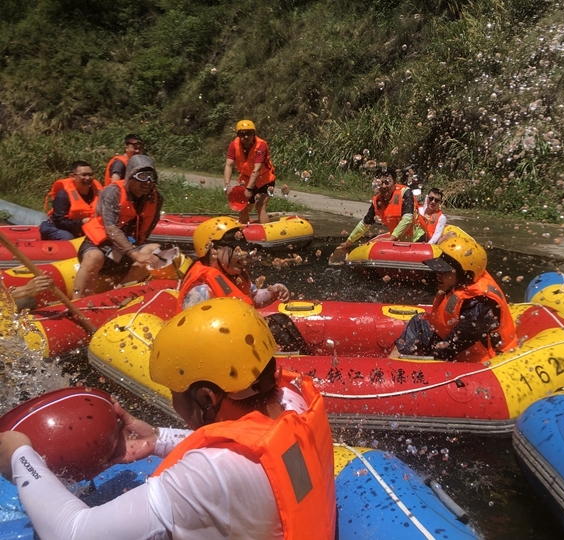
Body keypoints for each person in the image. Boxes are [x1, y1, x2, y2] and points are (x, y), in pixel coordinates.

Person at [0, 298, 337, 539]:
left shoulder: (211, 473)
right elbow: (252, 446)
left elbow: (72, 532)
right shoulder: (292, 401)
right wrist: (158, 439)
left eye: (175, 391)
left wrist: (20, 456)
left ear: (207, 396)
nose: (174, 401)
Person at [393, 232, 518, 361]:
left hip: (483, 361)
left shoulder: (479, 305)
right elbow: (465, 256)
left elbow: (452, 347)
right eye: (439, 269)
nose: (438, 273)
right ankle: (391, 361)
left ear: (464, 275)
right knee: (419, 321)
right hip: (454, 342)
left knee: (438, 352)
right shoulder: (468, 275)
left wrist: (427, 359)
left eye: (445, 271)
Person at [73, 155, 163, 298]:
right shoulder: (112, 192)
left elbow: (149, 226)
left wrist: (136, 251)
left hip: (126, 253)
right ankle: (78, 302)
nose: (147, 181)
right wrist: (135, 254)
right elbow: (111, 228)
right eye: (142, 176)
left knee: (156, 250)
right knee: (93, 256)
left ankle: (118, 295)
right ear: (130, 176)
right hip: (101, 247)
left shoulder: (156, 198)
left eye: (151, 176)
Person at [177, 216, 290, 311]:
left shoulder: (236, 276)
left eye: (242, 250)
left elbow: (253, 298)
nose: (242, 255)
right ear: (213, 251)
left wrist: (273, 292)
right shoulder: (201, 291)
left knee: (279, 322)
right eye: (235, 251)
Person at [334, 164, 424, 255]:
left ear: (395, 182)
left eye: (387, 182)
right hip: (398, 240)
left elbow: (407, 219)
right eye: (380, 183)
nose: (384, 186)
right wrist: (348, 242)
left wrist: (392, 237)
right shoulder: (377, 201)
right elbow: (365, 224)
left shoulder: (405, 193)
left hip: (418, 239)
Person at [224, 120, 276, 224]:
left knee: (260, 205)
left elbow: (256, 170)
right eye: (242, 134)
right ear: (238, 135)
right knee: (244, 207)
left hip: (265, 180)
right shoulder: (233, 145)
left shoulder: (261, 145)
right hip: (246, 178)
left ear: (254, 134)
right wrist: (227, 185)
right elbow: (229, 165)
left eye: (249, 133)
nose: (246, 137)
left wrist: (249, 188)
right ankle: (242, 232)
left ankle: (265, 234)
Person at [39, 161, 103, 240]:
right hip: (55, 227)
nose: (88, 178)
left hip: (83, 227)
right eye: (84, 175)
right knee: (68, 237)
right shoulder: (63, 195)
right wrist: (81, 222)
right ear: (72, 176)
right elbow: (59, 222)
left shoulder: (99, 193)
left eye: (90, 175)